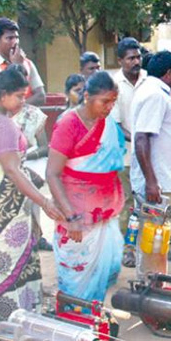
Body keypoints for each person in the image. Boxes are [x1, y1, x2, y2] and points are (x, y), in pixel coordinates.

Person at [0, 66, 64, 332]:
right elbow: (12, 170)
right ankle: (12, 320)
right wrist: (44, 202)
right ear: (3, 94)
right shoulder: (3, 125)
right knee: (10, 261)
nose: (23, 102)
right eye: (19, 96)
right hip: (4, 210)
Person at [46, 71, 125, 302]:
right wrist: (71, 217)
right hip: (75, 210)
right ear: (87, 96)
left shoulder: (107, 123)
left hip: (104, 209)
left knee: (106, 265)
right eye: (105, 101)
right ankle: (74, 317)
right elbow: (52, 174)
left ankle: (92, 314)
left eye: (113, 101)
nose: (109, 107)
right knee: (77, 269)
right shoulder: (69, 124)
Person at [130, 51, 171, 276]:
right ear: (168, 73)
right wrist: (151, 182)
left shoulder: (153, 91)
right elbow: (141, 137)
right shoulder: (155, 95)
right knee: (154, 237)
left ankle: (153, 280)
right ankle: (151, 284)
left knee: (156, 237)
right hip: (156, 183)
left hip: (159, 179)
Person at [109, 37, 148, 268]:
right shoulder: (114, 85)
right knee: (127, 205)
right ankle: (128, 248)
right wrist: (138, 140)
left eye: (138, 57)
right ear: (120, 60)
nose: (136, 61)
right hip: (126, 157)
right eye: (131, 58)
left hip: (148, 156)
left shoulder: (148, 80)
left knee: (149, 204)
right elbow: (115, 124)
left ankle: (147, 248)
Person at [11, 95, 51, 252]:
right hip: (8, 166)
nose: (20, 97)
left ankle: (36, 238)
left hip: (30, 164)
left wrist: (26, 156)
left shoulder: (33, 114)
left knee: (32, 200)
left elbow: (44, 147)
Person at [0, 18, 46, 106]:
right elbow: (3, 102)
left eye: (17, 38)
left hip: (27, 119)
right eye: (9, 38)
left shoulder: (27, 63)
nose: (15, 42)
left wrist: (20, 107)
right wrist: (16, 67)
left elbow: (40, 97)